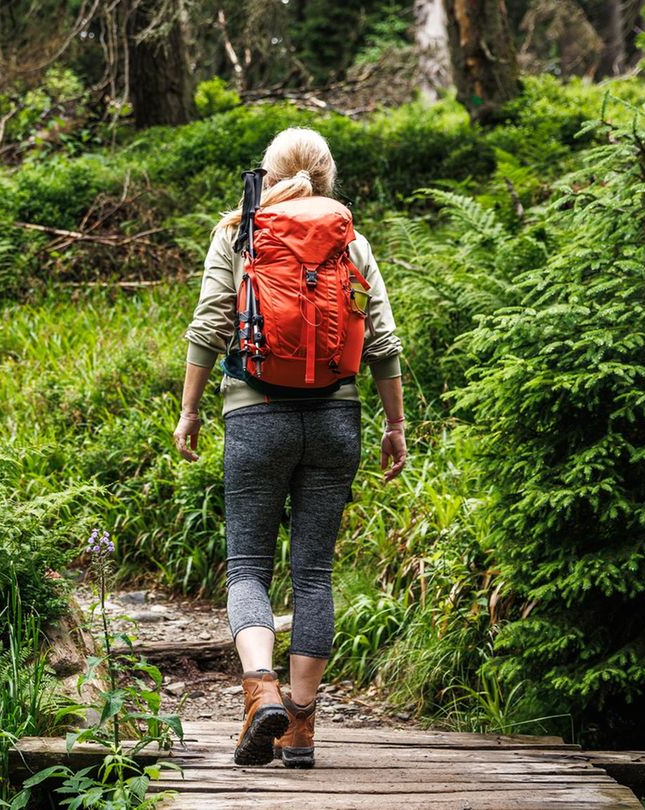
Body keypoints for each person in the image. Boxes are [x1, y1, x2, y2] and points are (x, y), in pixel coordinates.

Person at [172, 127, 408, 769]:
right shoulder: (350, 240)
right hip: (336, 419)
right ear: (327, 179)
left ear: (267, 174)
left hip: (255, 415)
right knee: (314, 573)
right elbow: (382, 341)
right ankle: (300, 728)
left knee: (248, 564)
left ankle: (261, 693)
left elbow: (210, 322)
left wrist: (190, 409)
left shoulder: (238, 234)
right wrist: (395, 425)